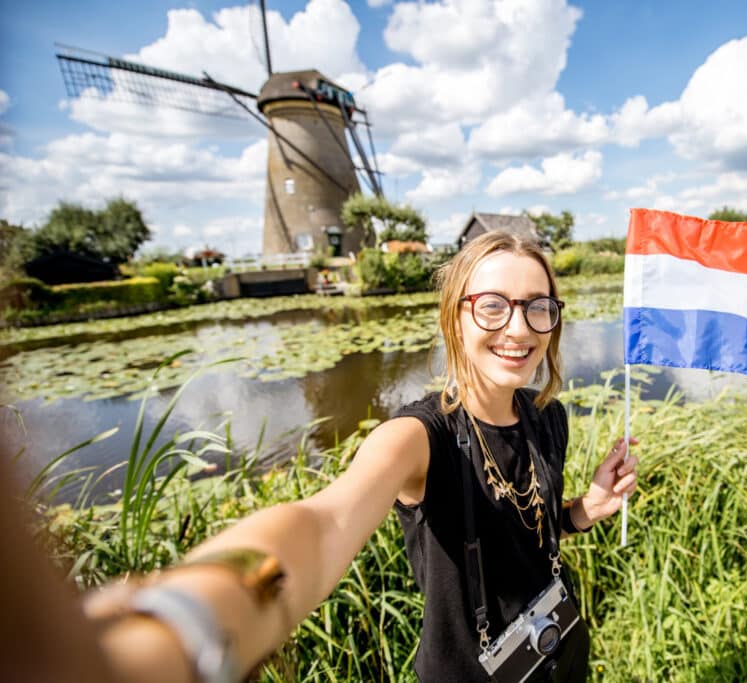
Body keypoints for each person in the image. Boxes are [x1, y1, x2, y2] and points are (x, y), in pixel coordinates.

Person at [59, 230, 641, 681]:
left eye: (538, 306)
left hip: (558, 653)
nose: (519, 327)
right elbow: (325, 520)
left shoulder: (548, 417)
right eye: (493, 305)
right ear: (455, 316)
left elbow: (529, 536)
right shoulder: (419, 437)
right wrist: (193, 615)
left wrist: (584, 509)